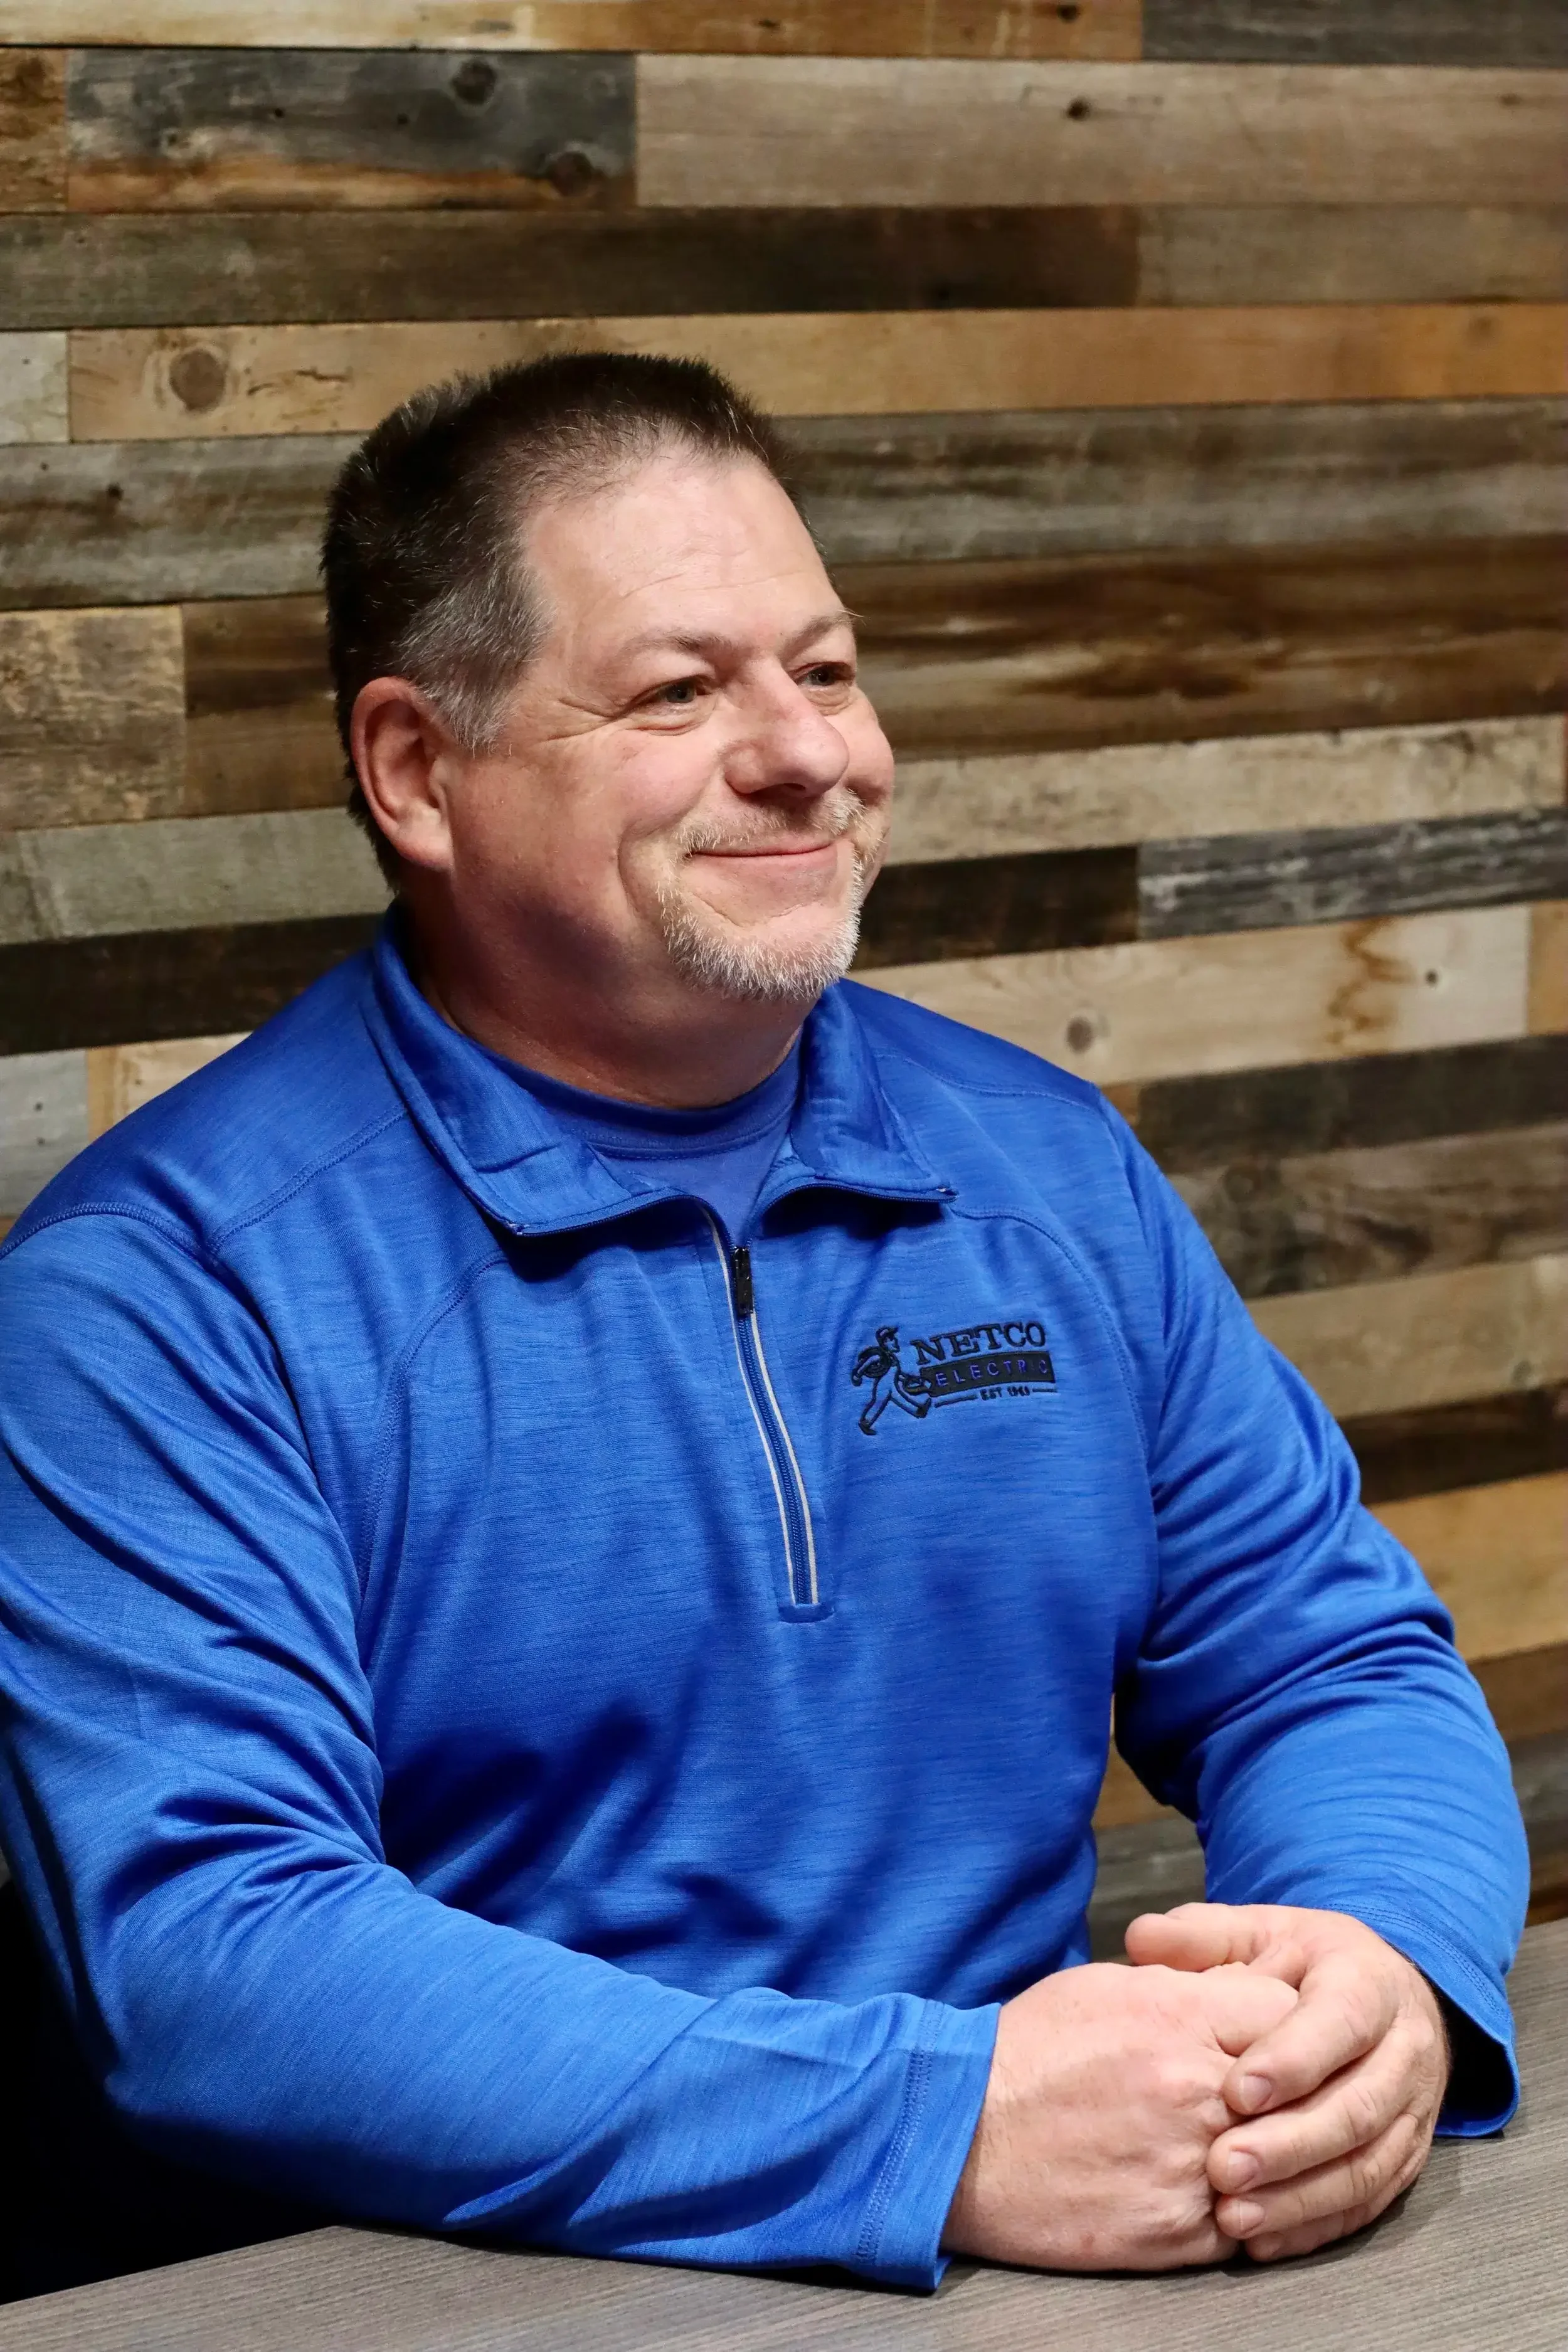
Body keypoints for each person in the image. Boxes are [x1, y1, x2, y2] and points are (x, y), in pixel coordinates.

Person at [0, 354, 1527, 2298]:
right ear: (415, 772)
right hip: (416, 2288)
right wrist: (931, 2123)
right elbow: (212, 1957)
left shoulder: (1042, 1170)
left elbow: (1324, 1656)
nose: (810, 753)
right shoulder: (164, 1289)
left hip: (1030, 2262)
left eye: (825, 667)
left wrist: (1375, 1953)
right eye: (678, 689)